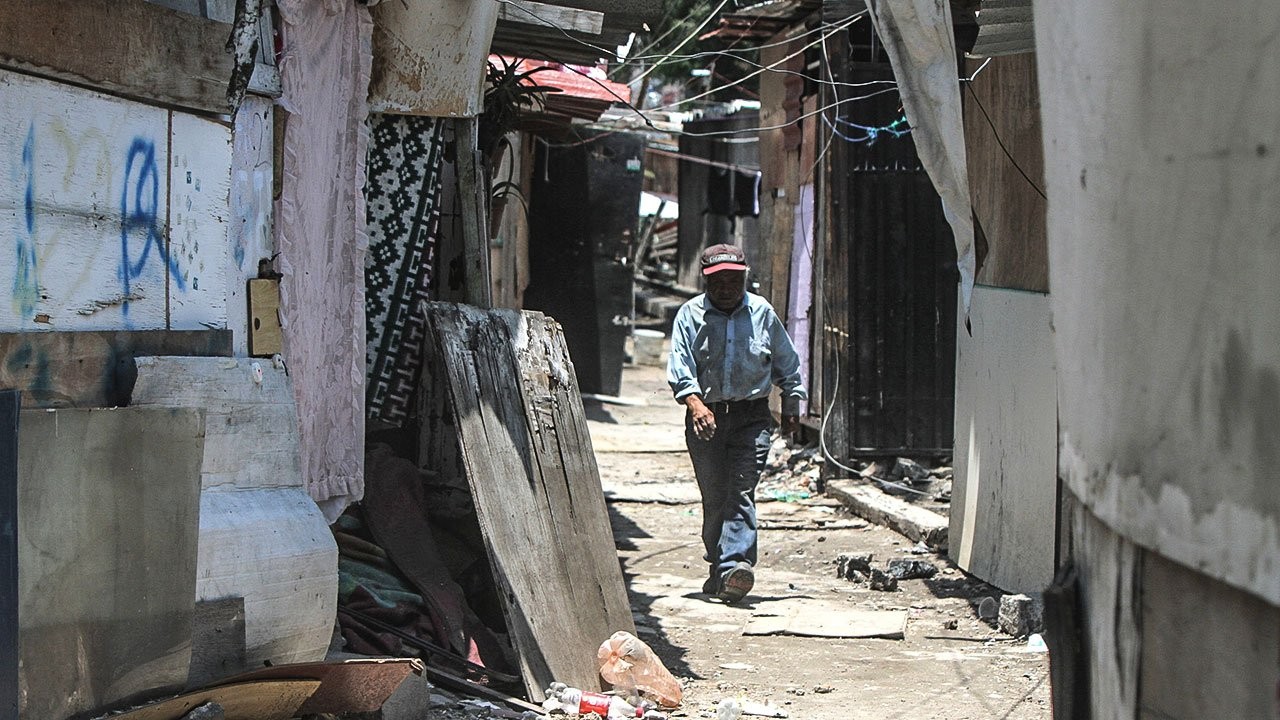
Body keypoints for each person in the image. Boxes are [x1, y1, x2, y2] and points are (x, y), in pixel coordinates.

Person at [666, 243, 808, 603]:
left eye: (734, 279)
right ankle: (719, 567)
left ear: (745, 278)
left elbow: (787, 363)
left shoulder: (762, 313)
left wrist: (791, 405)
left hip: (751, 418)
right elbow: (680, 368)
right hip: (705, 416)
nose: (726, 287)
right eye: (718, 281)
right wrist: (696, 404)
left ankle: (735, 566)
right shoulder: (689, 315)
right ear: (706, 281)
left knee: (740, 491)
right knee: (715, 496)